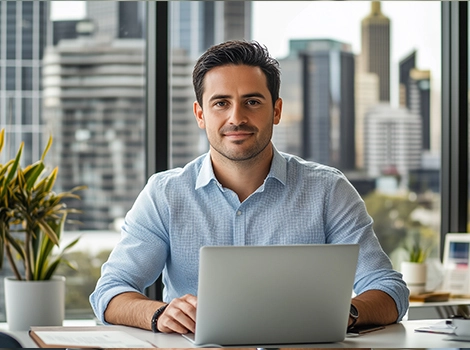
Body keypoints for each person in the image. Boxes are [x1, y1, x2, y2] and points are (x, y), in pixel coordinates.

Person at [90, 40, 409, 335]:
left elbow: (389, 290)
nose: (236, 118)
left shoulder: (328, 190)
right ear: (200, 114)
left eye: (252, 102)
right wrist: (159, 314)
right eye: (220, 103)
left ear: (277, 110)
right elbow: (110, 291)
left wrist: (346, 312)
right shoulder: (164, 194)